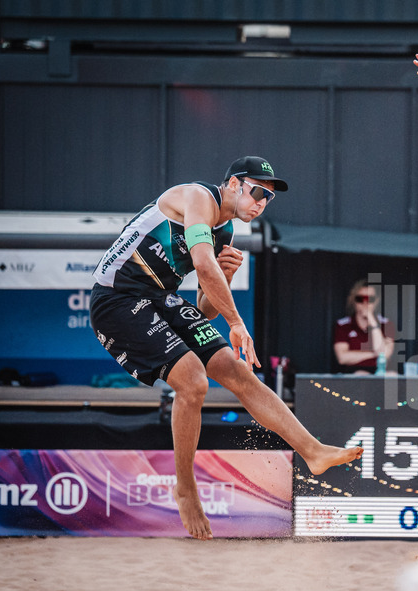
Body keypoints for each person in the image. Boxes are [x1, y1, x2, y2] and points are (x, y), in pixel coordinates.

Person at [90, 156, 362, 540]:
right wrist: (236, 320)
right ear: (233, 184)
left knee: (236, 371)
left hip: (158, 297)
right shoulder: (198, 197)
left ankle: (313, 451)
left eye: (268, 199)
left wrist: (227, 278)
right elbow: (202, 264)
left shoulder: (226, 232)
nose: (262, 203)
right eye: (257, 192)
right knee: (193, 382)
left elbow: (203, 309)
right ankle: (185, 488)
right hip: (115, 299)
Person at [332, 279, 395, 374]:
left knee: (393, 376)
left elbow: (384, 355)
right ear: (353, 300)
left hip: (380, 372)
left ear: (376, 301)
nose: (365, 303)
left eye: (370, 299)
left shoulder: (386, 324)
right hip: (353, 373)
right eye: (360, 299)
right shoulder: (343, 325)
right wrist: (374, 353)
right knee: (361, 374)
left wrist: (372, 321)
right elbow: (342, 358)